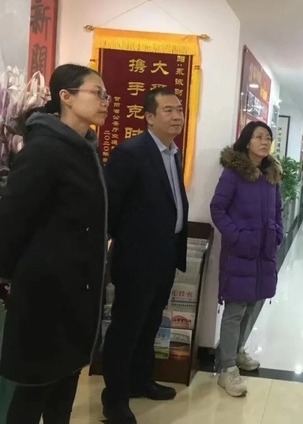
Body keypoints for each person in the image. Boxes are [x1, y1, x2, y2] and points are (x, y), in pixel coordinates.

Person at [0, 64, 110, 424]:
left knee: (64, 387)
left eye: (106, 95)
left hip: (78, 291)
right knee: (34, 390)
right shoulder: (45, 150)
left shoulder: (86, 149)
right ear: (66, 97)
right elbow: (12, 219)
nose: (105, 101)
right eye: (97, 93)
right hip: (46, 293)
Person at [101, 87, 189, 423]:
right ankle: (114, 399)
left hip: (165, 257)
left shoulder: (173, 153)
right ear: (149, 117)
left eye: (179, 109)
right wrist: (122, 244)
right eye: (168, 110)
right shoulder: (131, 152)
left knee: (149, 325)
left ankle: (140, 380)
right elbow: (111, 207)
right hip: (136, 260)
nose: (177, 116)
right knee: (126, 329)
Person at [210, 121, 283, 397]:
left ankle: (237, 351)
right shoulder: (234, 173)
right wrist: (237, 237)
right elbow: (217, 209)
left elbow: (278, 209)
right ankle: (226, 368)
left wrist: (278, 234)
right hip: (241, 251)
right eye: (259, 137)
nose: (264, 142)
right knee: (235, 308)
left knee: (252, 303)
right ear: (247, 140)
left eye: (268, 138)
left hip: (264, 252)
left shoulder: (272, 174)